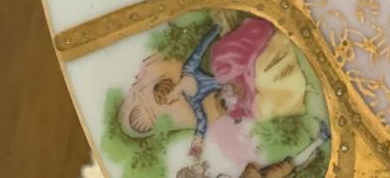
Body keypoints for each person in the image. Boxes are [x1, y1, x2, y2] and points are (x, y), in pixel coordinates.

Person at [120, 15, 330, 173]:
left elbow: (200, 50)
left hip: (235, 73)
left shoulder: (191, 70)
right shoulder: (194, 102)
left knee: (253, 75)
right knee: (261, 103)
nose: (170, 99)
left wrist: (216, 30)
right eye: (155, 114)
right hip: (237, 86)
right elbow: (202, 121)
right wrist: (198, 140)